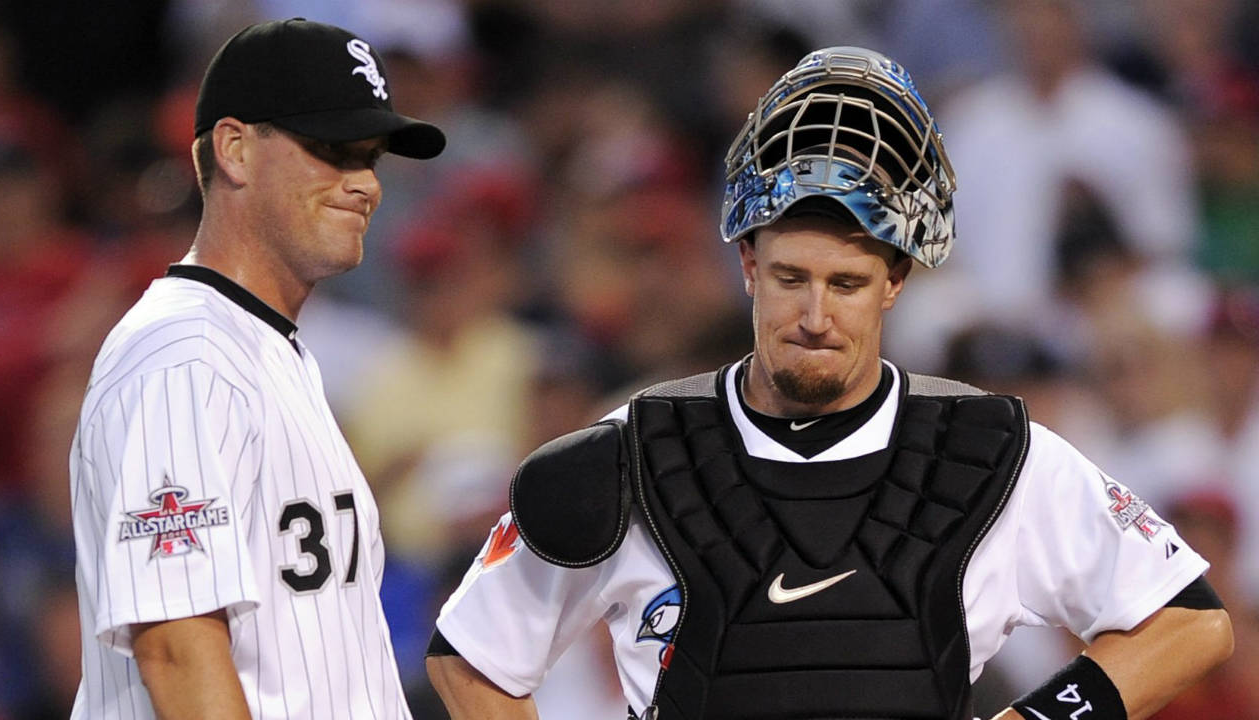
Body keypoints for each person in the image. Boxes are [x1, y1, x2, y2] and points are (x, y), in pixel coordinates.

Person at [424, 47, 1232, 720]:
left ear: (895, 284)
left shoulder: (991, 454)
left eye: (845, 283)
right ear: (747, 267)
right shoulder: (632, 449)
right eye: (789, 278)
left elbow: (1187, 622)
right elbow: (472, 658)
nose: (814, 314)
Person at [68, 18, 444, 719]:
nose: (364, 184)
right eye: (333, 150)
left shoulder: (264, 350)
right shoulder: (182, 357)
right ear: (235, 149)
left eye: (371, 158)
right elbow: (178, 648)